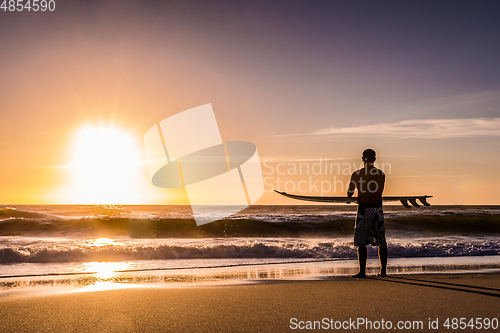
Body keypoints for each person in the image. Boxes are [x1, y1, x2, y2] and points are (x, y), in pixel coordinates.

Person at [347, 148, 387, 278]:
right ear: (375, 159)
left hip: (364, 210)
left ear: (362, 158)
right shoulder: (381, 174)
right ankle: (383, 271)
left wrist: (349, 197)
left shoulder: (357, 174)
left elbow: (351, 191)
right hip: (378, 210)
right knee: (381, 241)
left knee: (361, 241)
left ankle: (363, 272)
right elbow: (379, 191)